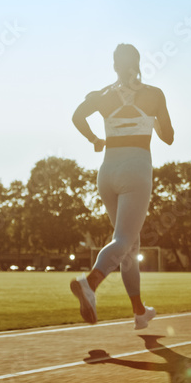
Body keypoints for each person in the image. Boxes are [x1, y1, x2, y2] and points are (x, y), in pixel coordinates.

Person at [70, 44, 174, 330]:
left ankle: (140, 311)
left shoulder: (102, 95)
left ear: (115, 65)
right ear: (138, 63)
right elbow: (169, 138)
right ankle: (89, 282)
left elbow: (77, 116)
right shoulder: (153, 94)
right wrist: (152, 120)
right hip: (136, 170)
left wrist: (93, 138)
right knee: (125, 241)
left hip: (107, 172)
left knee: (130, 245)